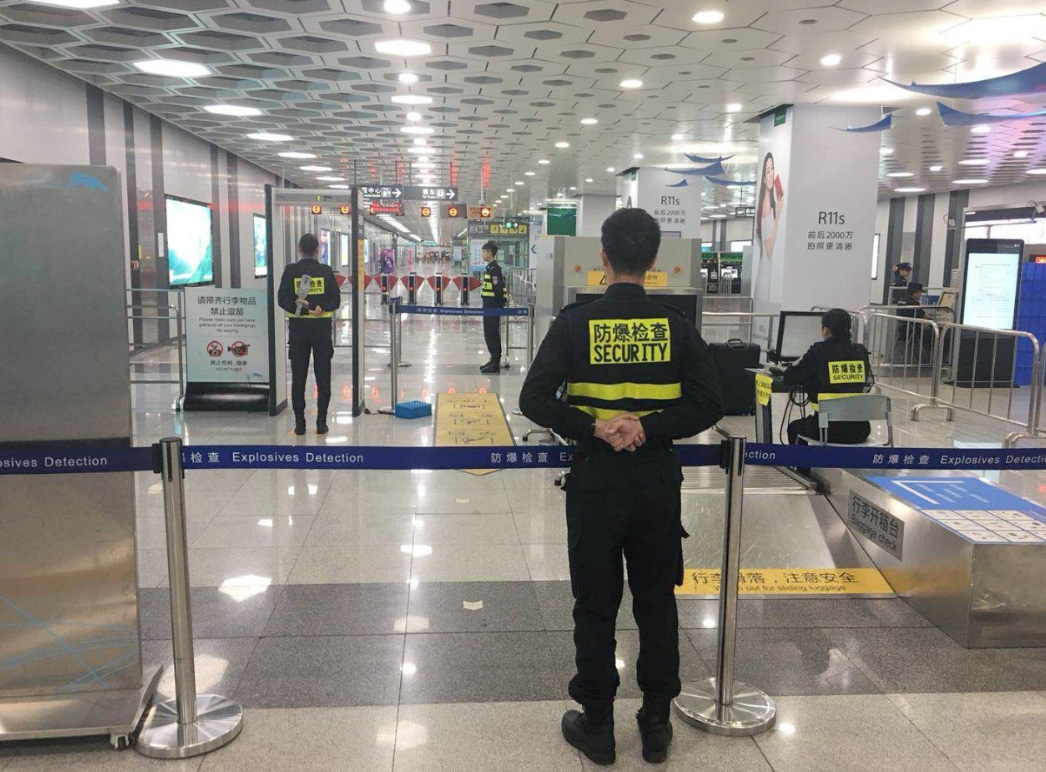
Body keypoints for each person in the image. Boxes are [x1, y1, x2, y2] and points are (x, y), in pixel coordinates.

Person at [519, 208, 723, 766]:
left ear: (603, 257)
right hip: (656, 481)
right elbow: (710, 403)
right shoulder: (674, 326)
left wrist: (594, 426)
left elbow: (532, 399)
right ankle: (655, 726)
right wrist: (647, 427)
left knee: (595, 603)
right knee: (657, 601)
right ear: (653, 260)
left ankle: (599, 726)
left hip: (596, 481)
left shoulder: (575, 324)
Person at [277, 233, 341, 436]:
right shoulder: (326, 271)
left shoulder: (290, 271)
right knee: (323, 379)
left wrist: (303, 308)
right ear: (317, 250)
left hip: (298, 332)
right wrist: (318, 307)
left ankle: (300, 424)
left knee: (298, 379)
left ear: (299, 249)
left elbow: (282, 299)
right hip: (321, 332)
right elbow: (335, 301)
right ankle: (321, 423)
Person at [783, 308, 872, 445]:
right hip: (859, 429)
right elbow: (867, 383)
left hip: (826, 428)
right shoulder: (860, 352)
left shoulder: (819, 351)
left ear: (825, 330)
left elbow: (790, 377)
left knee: (794, 428)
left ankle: (803, 460)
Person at [752, 151, 783, 302]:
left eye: (772, 169)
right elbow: (768, 250)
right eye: (767, 171)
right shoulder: (766, 206)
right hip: (765, 271)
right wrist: (778, 216)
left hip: (766, 269)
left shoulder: (769, 203)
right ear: (764, 178)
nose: (771, 174)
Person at [480, 240, 507, 374]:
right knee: (488, 333)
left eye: (484, 252)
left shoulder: (495, 269)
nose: (482, 254)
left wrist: (499, 307)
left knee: (492, 333)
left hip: (492, 306)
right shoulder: (490, 268)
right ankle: (492, 358)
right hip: (488, 305)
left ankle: (495, 362)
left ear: (490, 253)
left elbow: (498, 289)